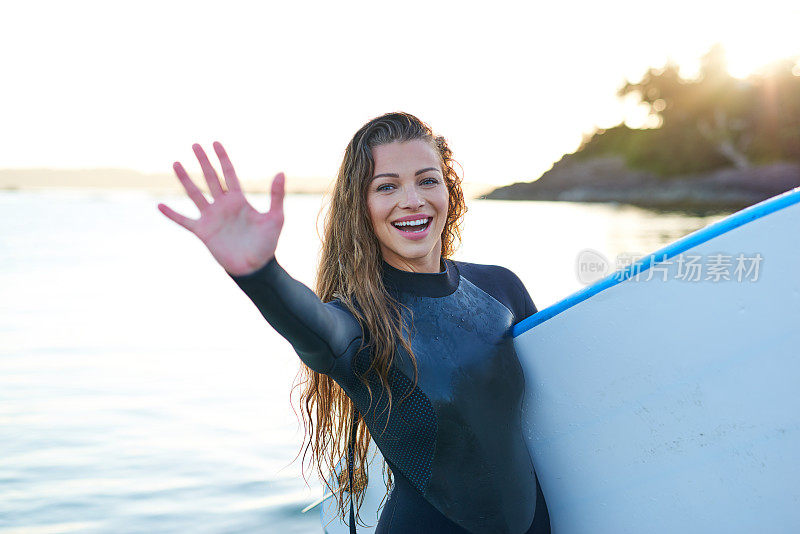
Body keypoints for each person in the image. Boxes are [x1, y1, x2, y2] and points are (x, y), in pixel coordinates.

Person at [157, 112, 551, 533]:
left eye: (427, 180)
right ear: (360, 207)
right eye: (386, 187)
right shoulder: (358, 324)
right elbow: (311, 326)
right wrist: (260, 274)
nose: (413, 199)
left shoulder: (501, 289)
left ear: (449, 190)